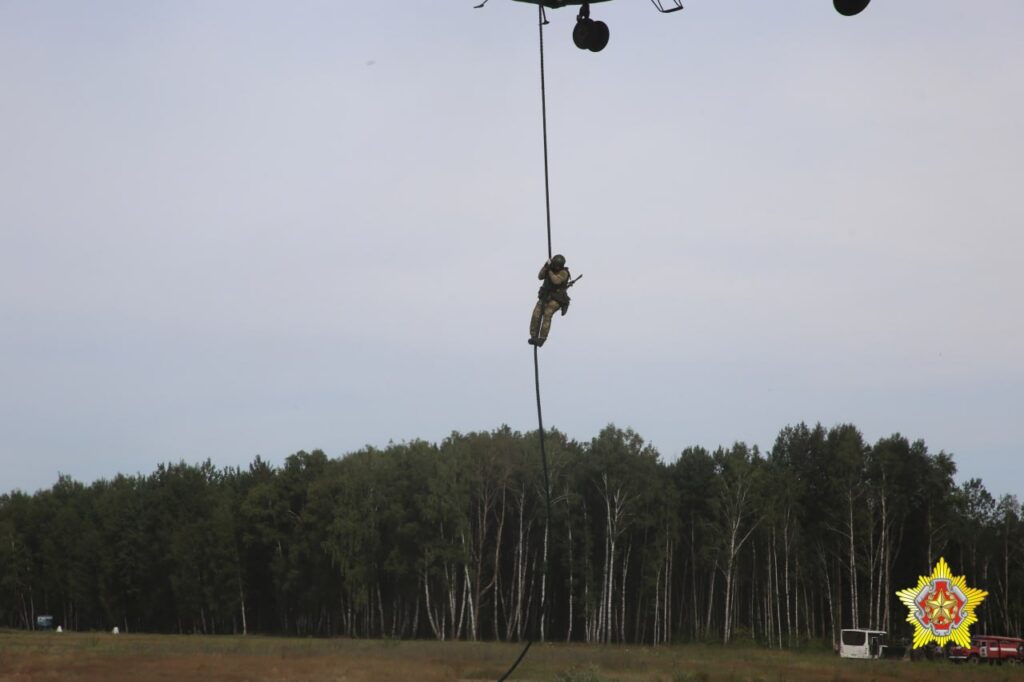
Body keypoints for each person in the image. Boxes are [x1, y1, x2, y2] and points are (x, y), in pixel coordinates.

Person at [529, 254, 570, 347]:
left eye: (558, 266)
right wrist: (545, 267)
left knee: (547, 313)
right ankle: (533, 335)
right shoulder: (549, 268)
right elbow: (540, 276)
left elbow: (556, 281)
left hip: (557, 298)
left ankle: (542, 338)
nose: (556, 267)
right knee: (536, 314)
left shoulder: (564, 272)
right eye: (555, 265)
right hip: (545, 296)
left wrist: (550, 271)